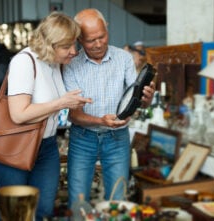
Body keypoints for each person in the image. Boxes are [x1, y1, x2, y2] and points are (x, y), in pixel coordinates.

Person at [0, 12, 92, 221]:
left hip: (46, 147)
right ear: (49, 44)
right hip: (15, 148)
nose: (73, 51)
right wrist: (61, 103)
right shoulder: (24, 62)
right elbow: (18, 115)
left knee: (43, 211)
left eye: (74, 44)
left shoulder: (54, 62)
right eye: (66, 47)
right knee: (16, 215)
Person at [63, 8, 155, 207]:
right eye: (90, 40)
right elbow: (73, 113)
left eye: (102, 36)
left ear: (107, 29)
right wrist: (100, 121)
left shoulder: (123, 58)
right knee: (77, 201)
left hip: (117, 138)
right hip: (82, 138)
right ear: (79, 39)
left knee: (117, 199)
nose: (98, 44)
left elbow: (135, 97)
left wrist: (147, 98)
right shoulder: (71, 64)